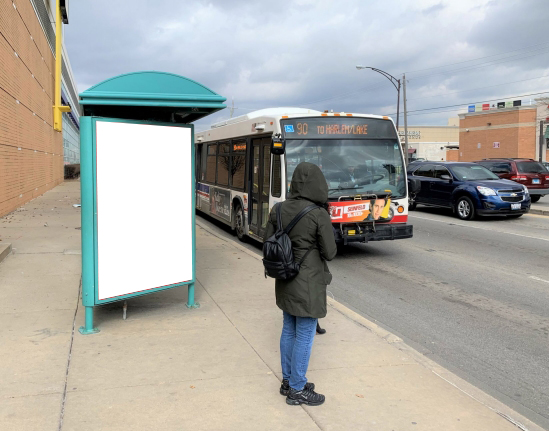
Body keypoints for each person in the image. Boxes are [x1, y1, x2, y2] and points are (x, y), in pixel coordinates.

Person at [265, 162, 337, 406]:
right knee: (305, 334)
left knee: (288, 329)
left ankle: (288, 381)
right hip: (308, 284)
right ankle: (297, 389)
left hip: (284, 279)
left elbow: (268, 243)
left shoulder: (277, 210)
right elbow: (330, 252)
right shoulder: (318, 214)